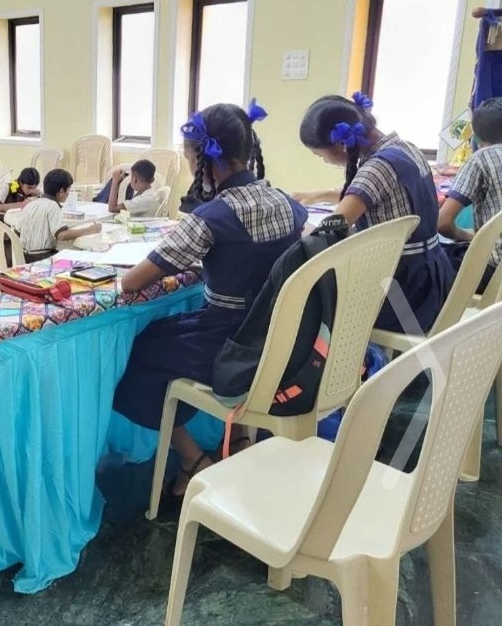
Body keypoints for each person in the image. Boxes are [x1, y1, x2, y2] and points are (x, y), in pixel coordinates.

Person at [113, 101, 306, 499]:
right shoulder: (286, 203)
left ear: (202, 157)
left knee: (138, 354)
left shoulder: (213, 216)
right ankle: (235, 442)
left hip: (228, 340)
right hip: (282, 338)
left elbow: (132, 282)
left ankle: (191, 459)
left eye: (186, 155)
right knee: (166, 341)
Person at [299, 92, 454, 333]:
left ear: (341, 145)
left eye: (320, 155)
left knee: (312, 306)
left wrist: (297, 223)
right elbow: (371, 193)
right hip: (432, 275)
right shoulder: (404, 148)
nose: (323, 161)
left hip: (402, 293)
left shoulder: (376, 167)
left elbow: (328, 231)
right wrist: (314, 196)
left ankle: (345, 367)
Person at [439, 97, 502, 294]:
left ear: (476, 136)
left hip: (493, 270)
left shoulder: (482, 158)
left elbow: (442, 223)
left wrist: (465, 235)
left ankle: (417, 323)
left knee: (423, 266)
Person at [17, 168, 101, 262]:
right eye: (68, 190)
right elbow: (62, 235)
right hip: (43, 257)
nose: (68, 194)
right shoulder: (52, 206)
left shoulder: (31, 204)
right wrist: (90, 229)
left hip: (24, 256)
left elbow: (18, 228)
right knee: (82, 257)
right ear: (61, 191)